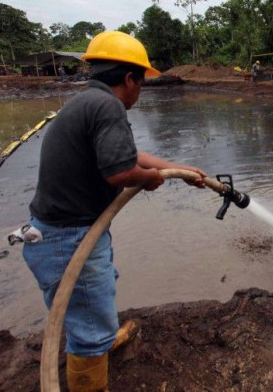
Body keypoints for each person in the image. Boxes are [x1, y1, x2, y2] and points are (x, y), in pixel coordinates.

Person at [23, 31, 208, 391]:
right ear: (129, 78)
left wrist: (178, 170)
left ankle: (101, 337)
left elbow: (128, 157)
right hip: (69, 240)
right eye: (142, 82)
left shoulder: (88, 102)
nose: (141, 91)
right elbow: (122, 172)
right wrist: (151, 178)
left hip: (61, 235)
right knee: (89, 328)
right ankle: (96, 350)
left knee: (92, 306)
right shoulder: (108, 107)